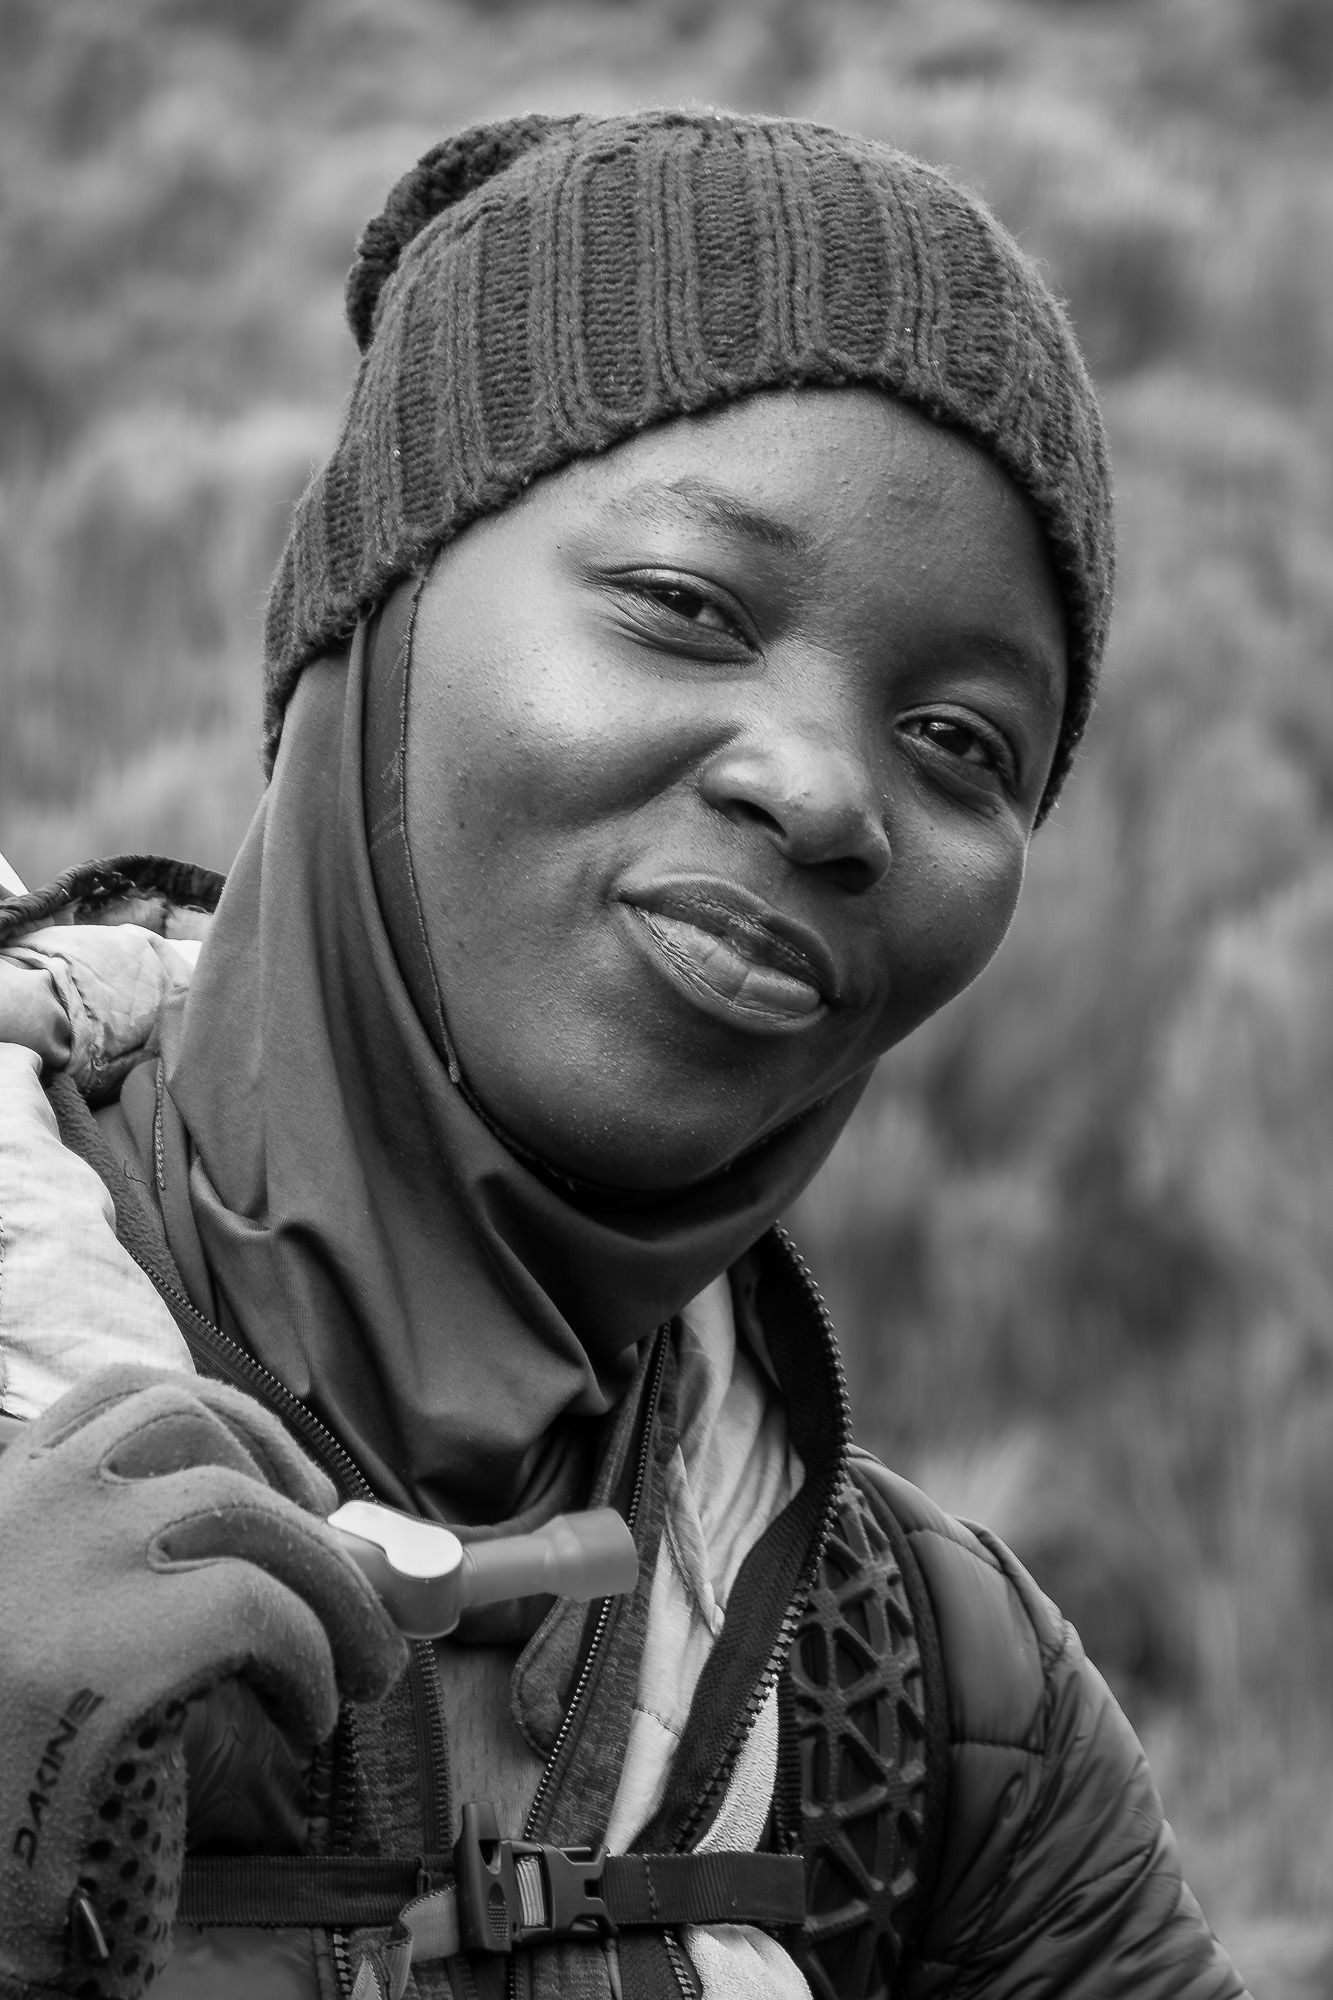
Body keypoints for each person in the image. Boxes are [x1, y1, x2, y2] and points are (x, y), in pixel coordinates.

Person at [0, 109, 1248, 2000]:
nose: (829, 790)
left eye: (963, 743)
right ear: (376, 604)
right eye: (686, 606)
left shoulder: (923, 1699)